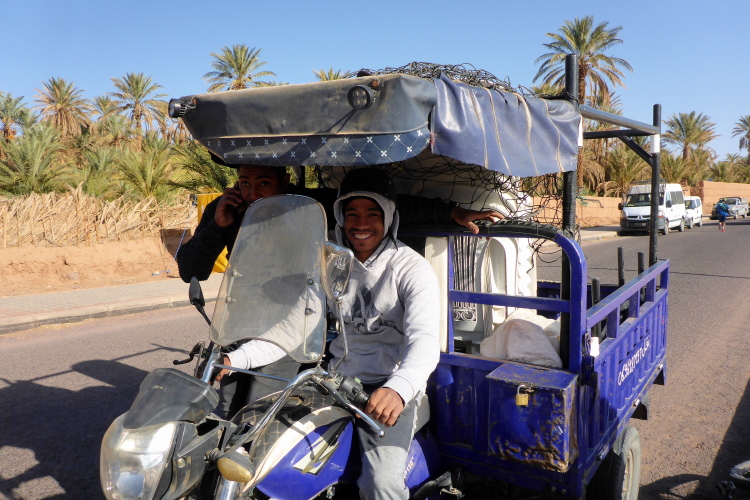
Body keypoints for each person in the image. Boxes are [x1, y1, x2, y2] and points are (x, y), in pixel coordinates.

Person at [177, 164, 500, 418]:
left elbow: (374, 207)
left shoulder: (308, 205)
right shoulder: (229, 208)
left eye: (263, 183)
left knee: (260, 410)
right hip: (243, 322)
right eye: (244, 182)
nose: (252, 193)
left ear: (285, 181)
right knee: (220, 405)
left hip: (296, 323)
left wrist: (451, 213)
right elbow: (190, 270)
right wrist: (217, 227)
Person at [328, 168, 440, 500]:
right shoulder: (330, 264)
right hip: (335, 383)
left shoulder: (411, 268)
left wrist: (398, 389)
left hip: (389, 387)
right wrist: (239, 357)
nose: (361, 223)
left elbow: (425, 341)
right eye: (352, 214)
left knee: (381, 483)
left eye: (372, 214)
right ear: (340, 217)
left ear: (389, 218)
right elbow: (294, 325)